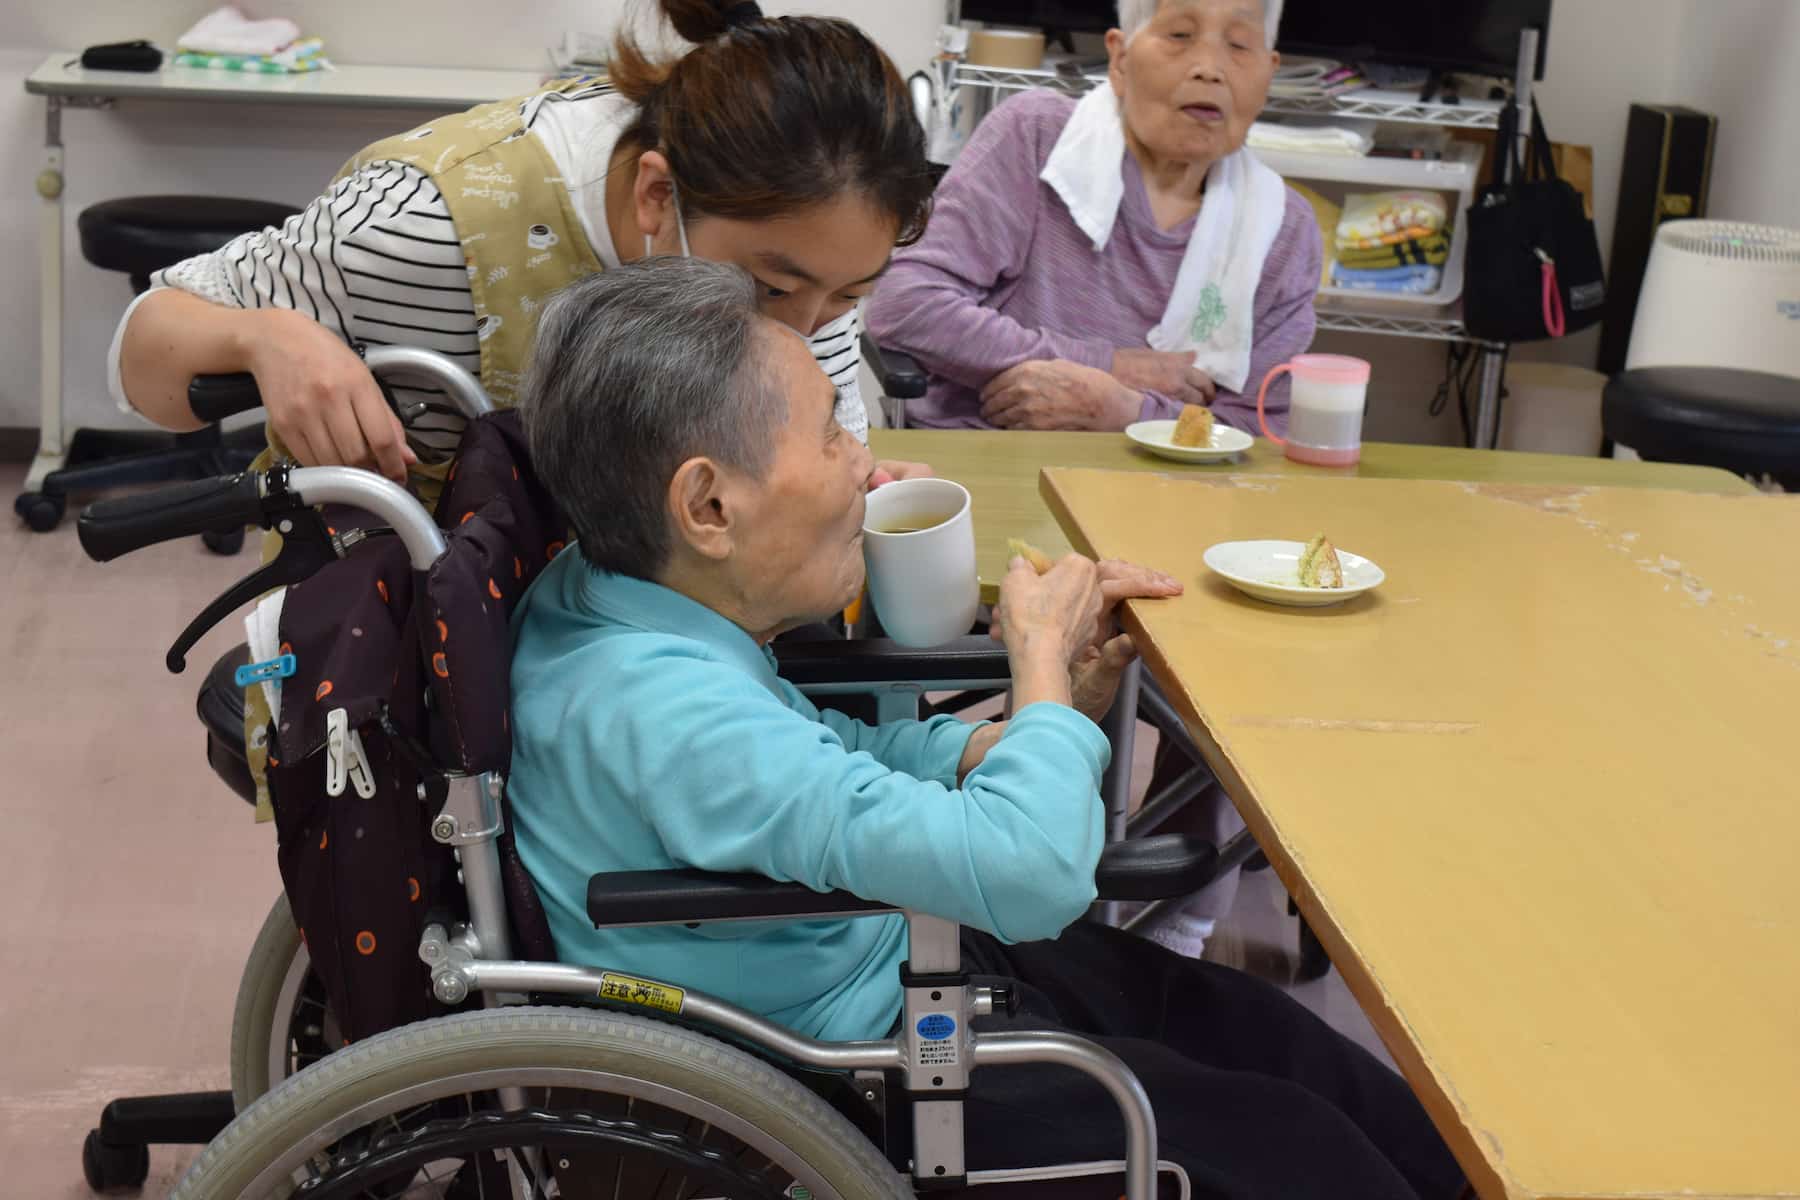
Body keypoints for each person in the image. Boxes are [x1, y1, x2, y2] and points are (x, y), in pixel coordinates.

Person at [507, 257, 1465, 1199]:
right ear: (709, 505)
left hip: (894, 949)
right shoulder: (672, 714)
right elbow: (1034, 875)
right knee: (1289, 1144)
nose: (865, 459)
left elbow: (819, 763)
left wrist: (1024, 730)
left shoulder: (607, 593)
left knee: (1262, 1032)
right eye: (833, 433)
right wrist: (1037, 662)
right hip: (857, 1063)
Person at [109, 0, 933, 487]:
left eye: (849, 298)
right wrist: (264, 335)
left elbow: (821, 435)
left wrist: (855, 482)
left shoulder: (810, 261)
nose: (807, 327)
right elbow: (145, 366)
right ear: (657, 193)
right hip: (417, 651)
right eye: (773, 291)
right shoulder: (419, 222)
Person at [865, 0, 1322, 437]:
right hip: (985, 453)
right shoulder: (1036, 136)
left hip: (1169, 490)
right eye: (1180, 35)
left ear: (1270, 73)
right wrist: (1110, 365)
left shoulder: (1285, 231)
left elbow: (1259, 431)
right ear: (1120, 59)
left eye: (1239, 45)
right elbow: (905, 306)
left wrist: (1123, 411)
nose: (1209, 68)